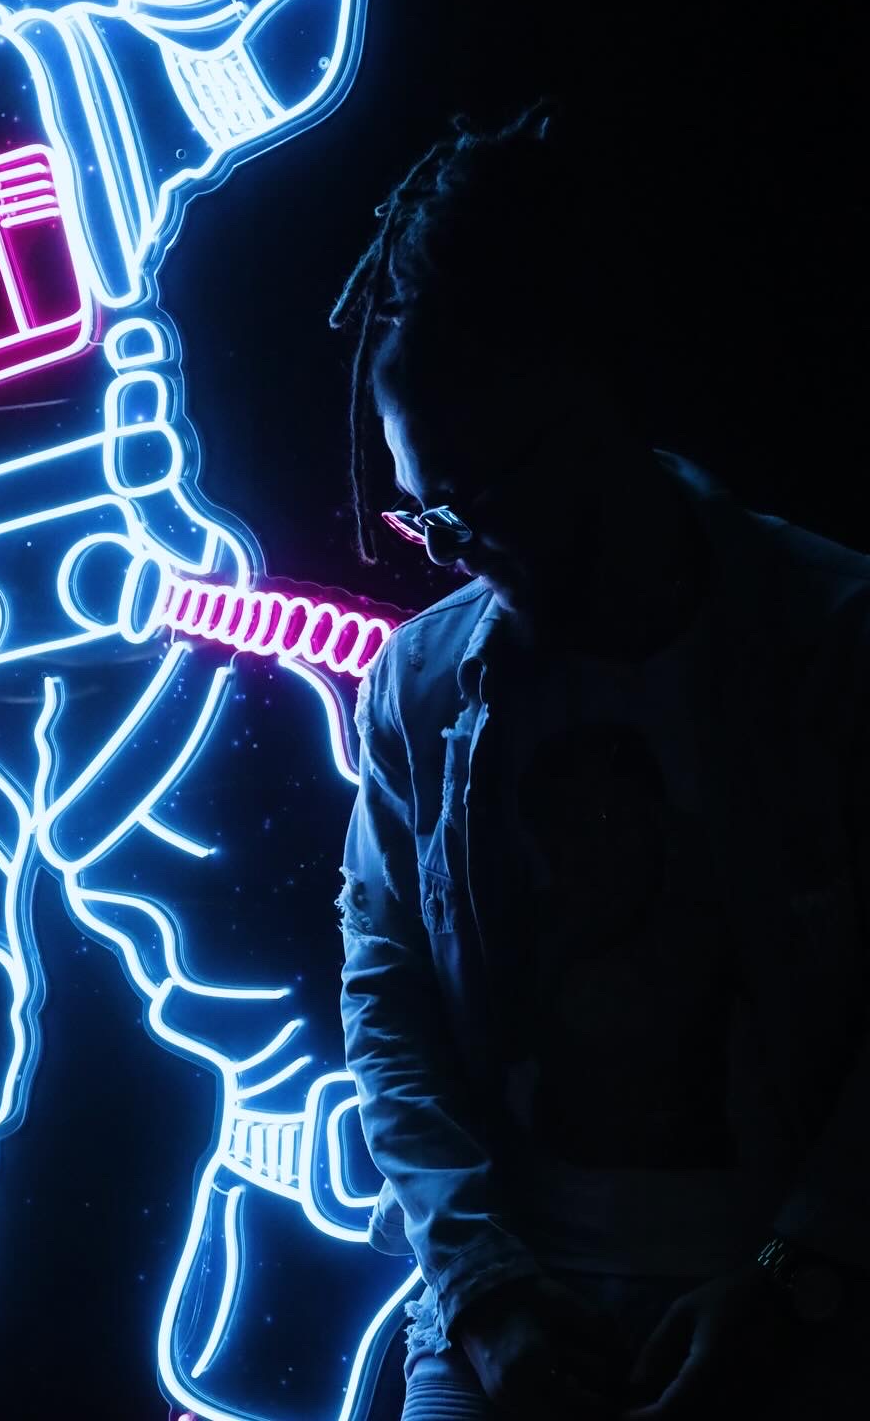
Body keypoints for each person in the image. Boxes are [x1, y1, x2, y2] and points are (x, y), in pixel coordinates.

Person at [331, 104, 868, 1418]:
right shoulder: (420, 683)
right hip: (512, 1309)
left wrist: (793, 1275)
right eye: (427, 514)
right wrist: (485, 1294)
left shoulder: (836, 643)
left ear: (601, 396)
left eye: (488, 490)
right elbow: (387, 996)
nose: (461, 545)